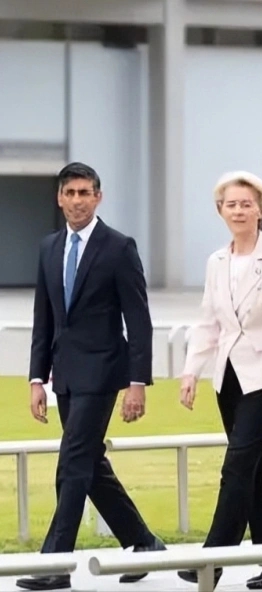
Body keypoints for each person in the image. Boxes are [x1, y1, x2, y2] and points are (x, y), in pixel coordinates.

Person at [20, 162, 165, 592]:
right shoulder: (49, 247)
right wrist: (36, 379)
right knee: (88, 463)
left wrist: (137, 383)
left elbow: (138, 321)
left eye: (85, 193)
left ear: (98, 197)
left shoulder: (119, 247)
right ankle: (143, 541)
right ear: (59, 198)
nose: (77, 200)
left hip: (103, 373)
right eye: (70, 193)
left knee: (73, 461)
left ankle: (56, 563)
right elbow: (44, 319)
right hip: (64, 375)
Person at [177, 171, 262, 589]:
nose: (238, 211)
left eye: (246, 204)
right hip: (229, 377)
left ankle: (214, 557)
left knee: (237, 463)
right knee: (254, 466)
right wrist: (190, 371)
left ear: (261, 209)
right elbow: (208, 321)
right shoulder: (216, 262)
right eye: (230, 204)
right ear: (220, 211)